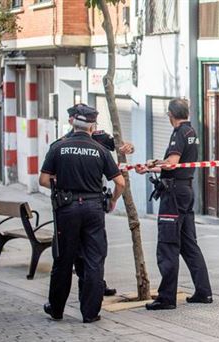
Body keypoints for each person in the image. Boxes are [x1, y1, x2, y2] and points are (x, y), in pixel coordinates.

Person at [39, 104, 125, 323]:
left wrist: (62, 188)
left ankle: (56, 309)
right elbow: (120, 182)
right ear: (92, 125)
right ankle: (90, 313)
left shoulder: (58, 147)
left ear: (72, 123)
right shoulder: (101, 150)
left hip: (67, 210)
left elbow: (43, 180)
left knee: (63, 260)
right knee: (94, 260)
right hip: (94, 209)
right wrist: (113, 200)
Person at [136, 98, 212, 310]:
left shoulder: (179, 133)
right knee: (189, 244)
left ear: (171, 114)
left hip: (174, 193)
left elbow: (171, 164)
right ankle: (203, 292)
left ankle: (166, 298)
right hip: (186, 190)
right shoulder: (192, 133)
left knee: (168, 245)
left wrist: (150, 167)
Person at [52, 105, 134, 296]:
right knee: (81, 253)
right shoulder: (61, 143)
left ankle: (94, 288)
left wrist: (128, 147)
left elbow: (120, 145)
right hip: (78, 204)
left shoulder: (98, 138)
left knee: (89, 252)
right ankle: (91, 298)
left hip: (85, 202)